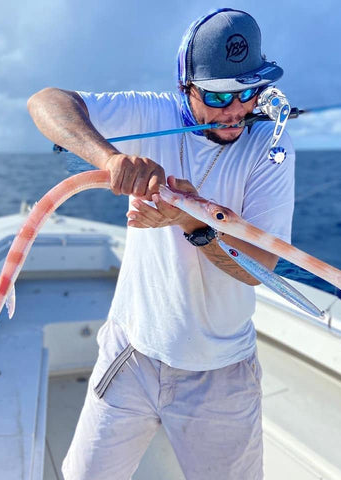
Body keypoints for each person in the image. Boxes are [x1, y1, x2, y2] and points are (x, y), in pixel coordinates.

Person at [28, 8, 294, 480]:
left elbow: (263, 265)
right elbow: (46, 101)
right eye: (216, 95)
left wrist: (193, 225)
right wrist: (110, 159)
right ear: (185, 86)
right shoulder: (152, 111)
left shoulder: (271, 147)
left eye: (249, 93)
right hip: (132, 352)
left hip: (222, 373)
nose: (235, 111)